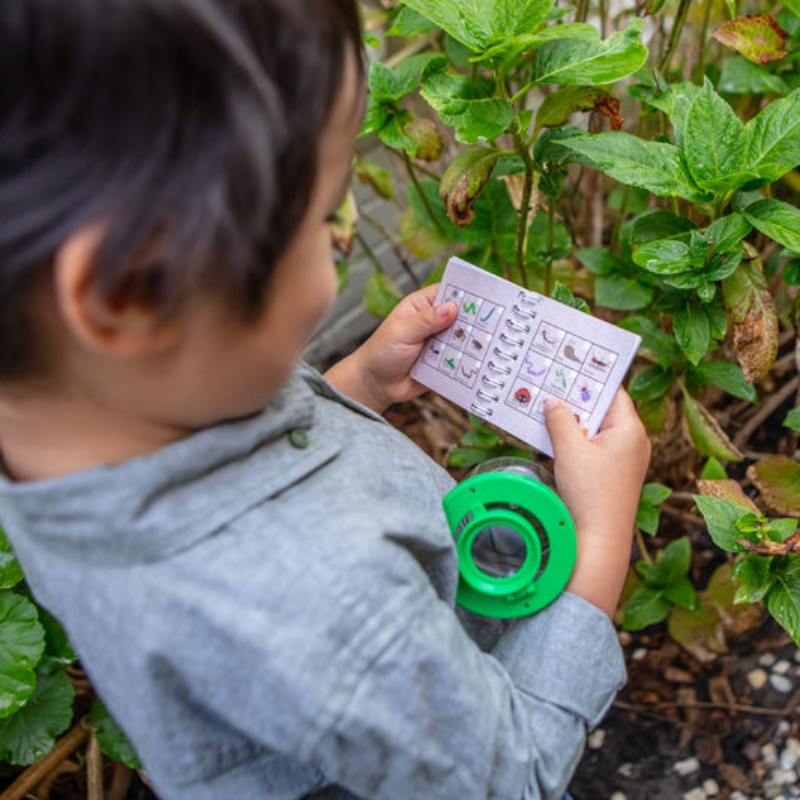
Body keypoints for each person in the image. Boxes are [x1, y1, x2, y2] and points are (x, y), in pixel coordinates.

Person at [0, 1, 651, 798]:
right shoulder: (325, 608)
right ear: (130, 295)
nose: (342, 246)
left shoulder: (61, 418)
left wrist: (355, 387)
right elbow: (504, 778)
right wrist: (601, 534)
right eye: (321, 218)